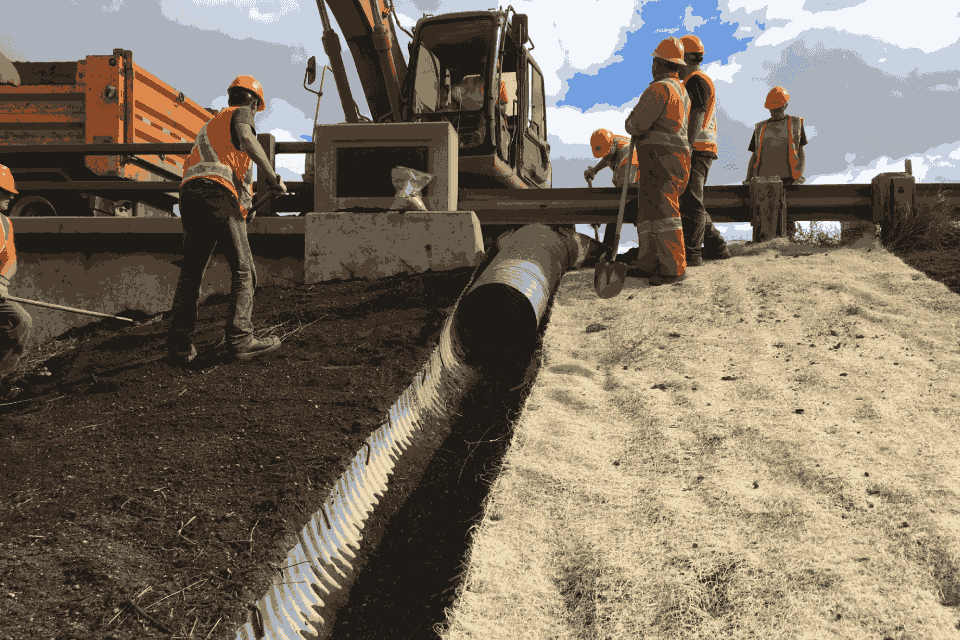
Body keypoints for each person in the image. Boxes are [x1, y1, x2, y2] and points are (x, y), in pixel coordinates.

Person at [166, 75, 287, 364]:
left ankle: (179, 345)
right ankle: (241, 338)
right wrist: (273, 178)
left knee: (192, 271)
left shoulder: (211, 125)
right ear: (255, 103)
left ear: (231, 95)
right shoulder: (242, 115)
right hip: (216, 194)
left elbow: (236, 178)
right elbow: (247, 139)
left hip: (190, 195)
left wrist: (247, 207)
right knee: (245, 271)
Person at [623, 36, 692, 286]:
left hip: (662, 159)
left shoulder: (660, 88)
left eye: (655, 61)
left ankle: (673, 268)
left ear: (660, 63)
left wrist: (630, 122)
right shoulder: (680, 90)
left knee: (663, 213)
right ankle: (650, 263)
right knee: (650, 212)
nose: (652, 66)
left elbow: (636, 124)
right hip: (669, 160)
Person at [678, 34, 730, 264]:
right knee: (691, 199)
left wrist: (687, 145)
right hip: (701, 146)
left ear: (687, 57)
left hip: (697, 147)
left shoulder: (695, 81)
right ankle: (717, 246)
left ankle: (692, 253)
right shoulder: (697, 80)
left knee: (691, 200)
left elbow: (697, 112)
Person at [744, 86, 808, 239]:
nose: (774, 111)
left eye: (778, 108)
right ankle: (763, 244)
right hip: (763, 181)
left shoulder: (795, 123)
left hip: (788, 179)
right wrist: (748, 179)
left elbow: (801, 152)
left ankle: (788, 243)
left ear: (785, 106)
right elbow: (754, 156)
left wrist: (799, 176)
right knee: (762, 217)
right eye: (772, 108)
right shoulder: (760, 128)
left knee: (788, 217)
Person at [0, 165, 33, 377]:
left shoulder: (5, 223)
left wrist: (1, 282)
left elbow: (10, 259)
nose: (11, 196)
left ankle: (1, 378)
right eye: (5, 191)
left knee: (20, 321)